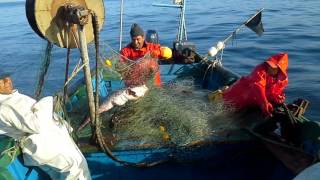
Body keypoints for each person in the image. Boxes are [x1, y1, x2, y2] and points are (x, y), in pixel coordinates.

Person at [0, 71, 91, 179]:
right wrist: (46, 102)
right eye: (2, 80)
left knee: (72, 170)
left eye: (7, 77)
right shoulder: (5, 107)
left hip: (49, 143)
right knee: (77, 170)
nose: (8, 81)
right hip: (47, 146)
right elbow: (37, 125)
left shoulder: (11, 98)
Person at [222, 53, 289, 117]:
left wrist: (277, 98)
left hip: (252, 101)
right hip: (238, 94)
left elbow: (273, 93)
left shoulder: (282, 81)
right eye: (269, 65)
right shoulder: (260, 69)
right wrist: (264, 103)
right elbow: (257, 85)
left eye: (273, 67)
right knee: (226, 107)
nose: (270, 68)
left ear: (280, 70)